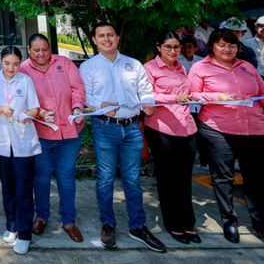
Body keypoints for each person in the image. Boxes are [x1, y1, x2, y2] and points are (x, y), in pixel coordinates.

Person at [79, 22, 166, 253]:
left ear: (117, 38)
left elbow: (145, 89)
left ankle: (138, 226)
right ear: (95, 40)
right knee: (106, 179)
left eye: (110, 35)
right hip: (105, 127)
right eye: (101, 36)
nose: (106, 39)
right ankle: (108, 225)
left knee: (132, 180)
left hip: (132, 129)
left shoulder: (133, 64)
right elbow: (85, 96)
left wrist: (148, 103)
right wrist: (100, 105)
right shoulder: (88, 67)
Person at [189, 28, 264, 243]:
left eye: (231, 45)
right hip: (218, 129)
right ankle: (229, 222)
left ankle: (259, 223)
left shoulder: (247, 67)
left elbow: (261, 94)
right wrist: (216, 96)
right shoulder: (200, 67)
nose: (227, 49)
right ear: (212, 46)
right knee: (224, 177)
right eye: (222, 45)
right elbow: (191, 94)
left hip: (255, 128)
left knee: (256, 178)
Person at [19, 34, 86, 243]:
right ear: (29, 50)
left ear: (50, 49)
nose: (41, 54)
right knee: (42, 176)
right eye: (36, 50)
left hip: (70, 131)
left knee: (66, 175)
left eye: (45, 49)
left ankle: (69, 220)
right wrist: (38, 112)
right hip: (41, 133)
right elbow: (20, 98)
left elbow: (77, 88)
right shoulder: (22, 69)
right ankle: (42, 216)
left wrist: (77, 106)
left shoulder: (64, 63)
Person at [143, 32, 200, 244]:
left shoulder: (181, 67)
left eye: (176, 47)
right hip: (162, 129)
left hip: (187, 128)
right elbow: (145, 95)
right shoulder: (149, 68)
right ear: (159, 47)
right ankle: (174, 224)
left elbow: (191, 93)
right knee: (168, 179)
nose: (173, 51)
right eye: (168, 47)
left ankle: (188, 223)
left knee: (184, 178)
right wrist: (173, 98)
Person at [0, 46, 41, 255]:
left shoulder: (25, 80)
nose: (11, 68)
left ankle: (25, 233)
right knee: (7, 186)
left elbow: (35, 109)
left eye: (16, 64)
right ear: (0, 61)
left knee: (23, 189)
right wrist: (0, 110)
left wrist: (26, 114)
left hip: (23, 141)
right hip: (1, 141)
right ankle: (11, 224)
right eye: (7, 63)